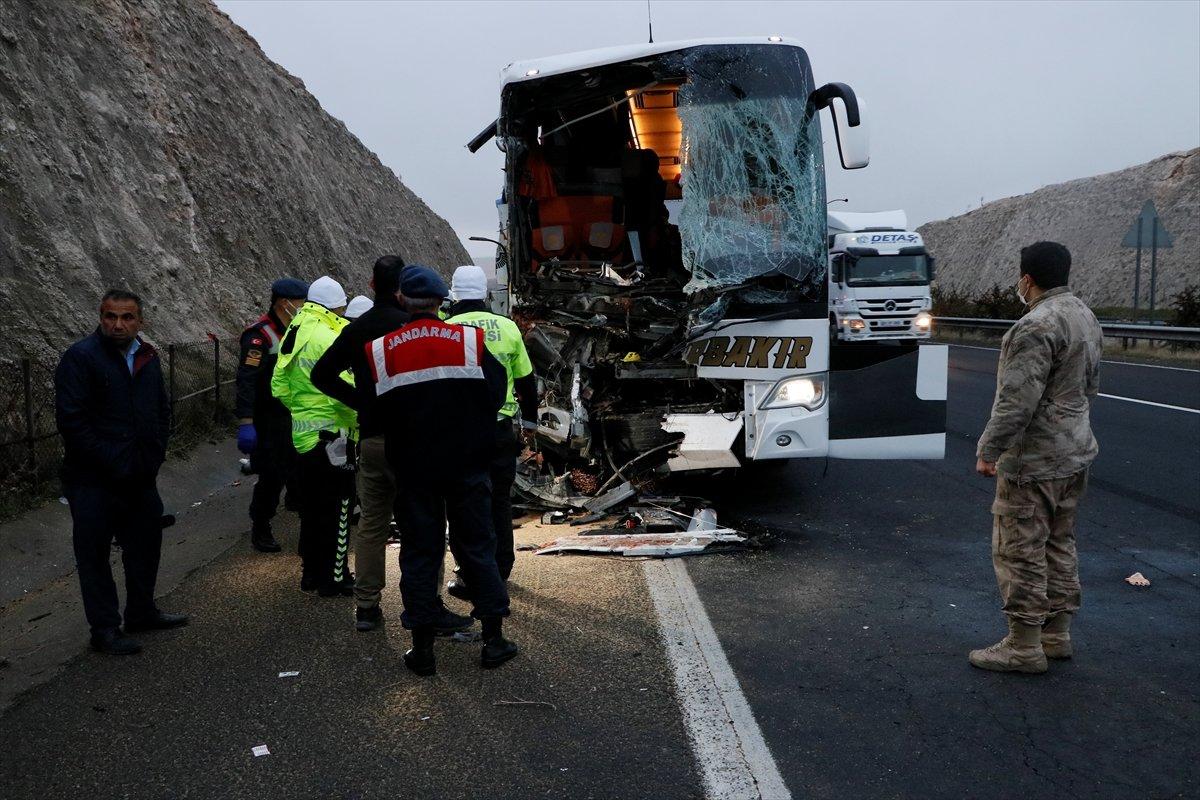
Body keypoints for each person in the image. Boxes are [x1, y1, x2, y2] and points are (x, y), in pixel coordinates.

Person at [369, 266, 517, 675]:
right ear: (440, 302)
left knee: (420, 552)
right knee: (477, 547)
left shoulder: (382, 349)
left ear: (402, 300)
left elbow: (374, 408)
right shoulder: (469, 341)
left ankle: (422, 650)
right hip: (467, 463)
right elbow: (496, 394)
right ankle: (493, 641)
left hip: (413, 467)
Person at [311, 257, 471, 635]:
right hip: (414, 442)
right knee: (424, 523)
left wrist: (361, 403)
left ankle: (367, 606)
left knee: (372, 524)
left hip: (372, 440)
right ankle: (427, 603)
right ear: (403, 289)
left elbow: (321, 374)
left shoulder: (358, 328)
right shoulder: (411, 329)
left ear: (371, 284)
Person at [970, 241, 1102, 674]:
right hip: (1074, 450)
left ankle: (1023, 646)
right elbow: (1090, 386)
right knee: (1059, 542)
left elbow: (1017, 401)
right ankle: (1056, 634)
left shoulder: (1034, 326)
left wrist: (990, 449)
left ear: (1026, 279)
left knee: (1020, 548)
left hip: (1035, 460)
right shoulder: (1084, 315)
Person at [54, 290, 187, 656]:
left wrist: (153, 454)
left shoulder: (147, 356)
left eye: (127, 317)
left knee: (145, 546)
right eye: (110, 316)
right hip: (93, 480)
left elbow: (160, 409)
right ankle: (105, 629)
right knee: (94, 555)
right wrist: (113, 460)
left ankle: (141, 612)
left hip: (140, 475)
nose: (118, 324)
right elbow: (72, 421)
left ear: (140, 321)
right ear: (101, 318)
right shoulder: (81, 357)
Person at [444, 264, 538, 600]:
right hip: (500, 430)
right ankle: (501, 567)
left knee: (463, 503)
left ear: (454, 294)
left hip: (460, 433)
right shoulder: (507, 327)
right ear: (485, 293)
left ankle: (469, 570)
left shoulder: (444, 330)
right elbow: (526, 381)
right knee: (500, 499)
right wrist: (530, 426)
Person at [271, 276, 358, 597]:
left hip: (304, 436)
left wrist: (302, 411)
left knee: (312, 509)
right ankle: (335, 578)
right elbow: (347, 390)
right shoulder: (330, 335)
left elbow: (279, 386)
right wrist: (360, 420)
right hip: (335, 436)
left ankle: (310, 574)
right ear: (336, 307)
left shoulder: (295, 330)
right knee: (340, 509)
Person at [236, 277, 309, 553]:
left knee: (300, 469)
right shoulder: (260, 337)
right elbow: (246, 381)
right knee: (271, 476)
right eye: (301, 302)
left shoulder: (298, 330)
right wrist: (246, 421)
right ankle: (261, 526)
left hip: (295, 414)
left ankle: (298, 507)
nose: (304, 307)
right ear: (283, 303)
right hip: (268, 419)